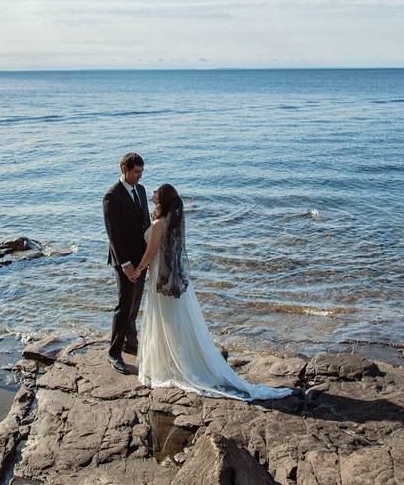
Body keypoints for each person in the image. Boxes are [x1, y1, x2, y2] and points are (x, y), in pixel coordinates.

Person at [133, 183, 293, 400]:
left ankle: (171, 364)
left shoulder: (160, 224)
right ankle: (178, 360)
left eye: (155, 193)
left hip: (161, 280)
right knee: (178, 323)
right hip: (171, 280)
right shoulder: (173, 221)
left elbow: (151, 252)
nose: (151, 194)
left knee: (165, 322)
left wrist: (137, 270)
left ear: (161, 200)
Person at [102, 152, 151, 375]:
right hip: (125, 262)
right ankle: (114, 353)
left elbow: (146, 225)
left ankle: (131, 343)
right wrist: (126, 264)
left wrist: (151, 256)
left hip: (142, 259)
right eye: (135, 172)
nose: (139, 176)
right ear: (124, 169)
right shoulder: (112, 195)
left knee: (135, 304)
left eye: (141, 172)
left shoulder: (140, 190)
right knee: (123, 306)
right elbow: (114, 235)